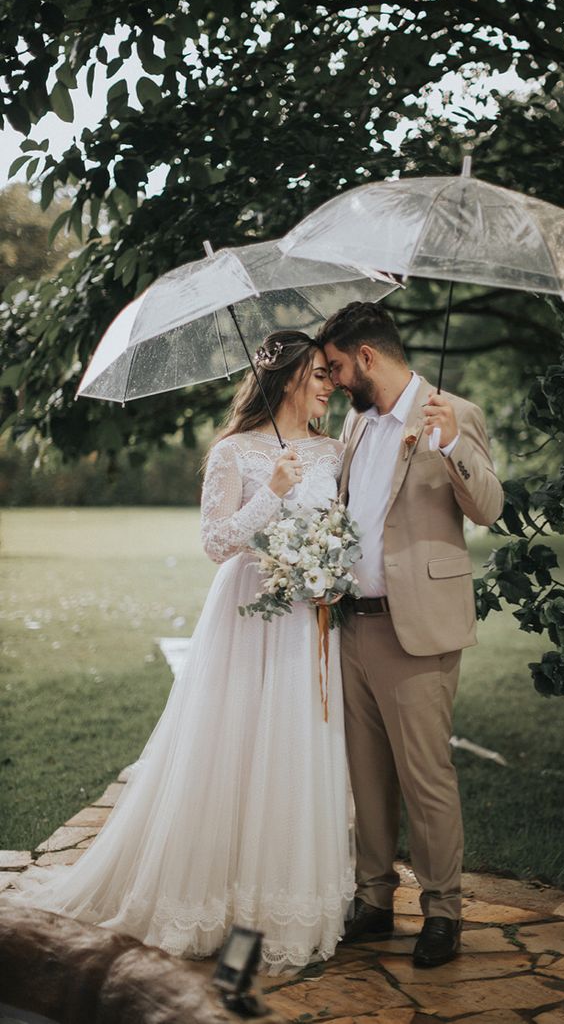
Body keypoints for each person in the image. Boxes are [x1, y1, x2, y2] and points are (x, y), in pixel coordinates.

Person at [10, 331, 354, 974]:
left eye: (329, 375)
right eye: (317, 374)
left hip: (307, 616)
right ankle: (207, 898)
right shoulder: (234, 452)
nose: (329, 384)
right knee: (231, 746)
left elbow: (343, 527)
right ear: (285, 380)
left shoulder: (335, 450)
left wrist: (328, 565)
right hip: (247, 612)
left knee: (290, 746)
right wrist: (271, 493)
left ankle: (279, 901)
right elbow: (217, 542)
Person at [318, 301, 504, 968]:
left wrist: (451, 443)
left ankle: (443, 912)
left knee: (426, 778)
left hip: (417, 630)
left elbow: (488, 507)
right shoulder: (358, 423)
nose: (333, 379)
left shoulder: (453, 413)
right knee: (366, 778)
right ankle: (373, 899)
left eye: (337, 366)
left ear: (367, 357)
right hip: (353, 624)